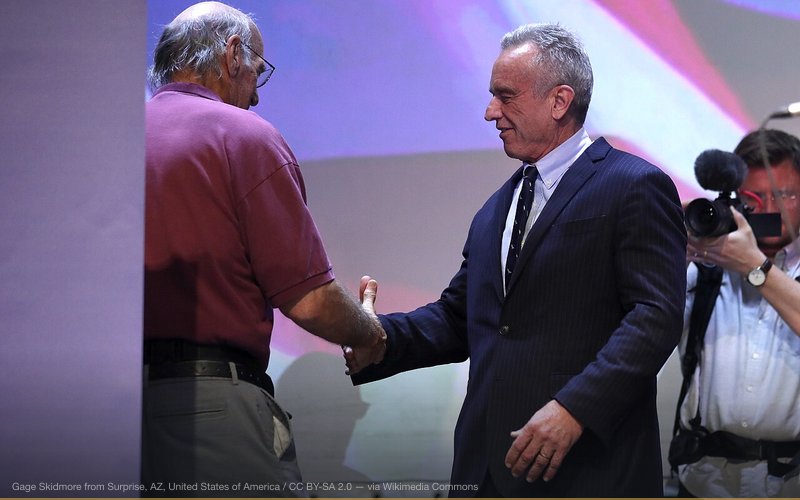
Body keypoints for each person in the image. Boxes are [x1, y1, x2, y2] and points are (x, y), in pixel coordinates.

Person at [345, 23, 686, 497]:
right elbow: (460, 318)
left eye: (505, 97)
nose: (490, 112)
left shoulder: (634, 185)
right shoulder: (495, 210)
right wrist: (379, 338)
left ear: (560, 101)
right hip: (486, 468)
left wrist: (574, 408)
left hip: (588, 469)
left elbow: (655, 316)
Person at [142, 2, 385, 495]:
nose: (255, 95)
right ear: (233, 54)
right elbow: (310, 301)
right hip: (211, 413)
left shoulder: (112, 140)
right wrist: (370, 331)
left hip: (107, 414)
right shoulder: (243, 136)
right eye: (258, 71)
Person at [676, 129, 800, 497]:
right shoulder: (705, 266)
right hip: (703, 481)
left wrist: (753, 266)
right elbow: (641, 333)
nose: (770, 209)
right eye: (754, 198)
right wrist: (669, 253)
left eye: (785, 195)